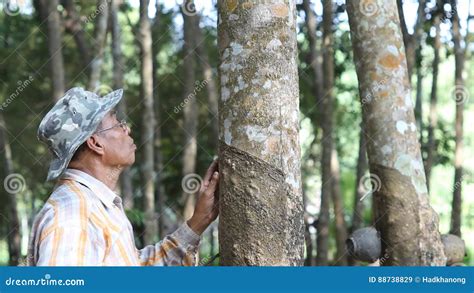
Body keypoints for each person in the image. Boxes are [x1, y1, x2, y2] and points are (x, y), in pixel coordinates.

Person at [27, 87, 219, 266]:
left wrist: (199, 221)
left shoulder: (93, 205)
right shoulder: (74, 216)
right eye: (118, 124)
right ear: (96, 143)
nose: (127, 129)